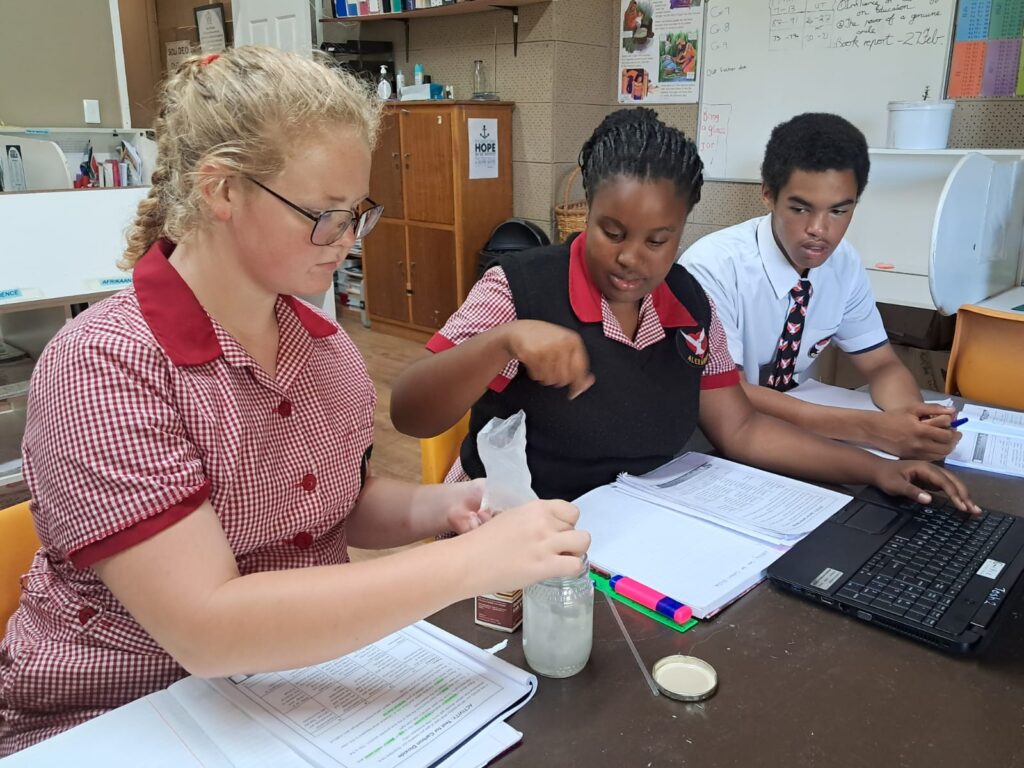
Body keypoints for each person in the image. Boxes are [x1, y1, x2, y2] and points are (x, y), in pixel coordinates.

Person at [0, 47, 588, 755]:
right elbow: (208, 628)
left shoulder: (325, 351)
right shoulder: (106, 366)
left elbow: (340, 504)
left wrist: (449, 506)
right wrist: (474, 565)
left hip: (285, 691)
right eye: (324, 215)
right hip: (117, 717)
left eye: (358, 214)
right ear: (222, 190)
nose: (346, 241)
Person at [390, 108, 977, 513]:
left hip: (631, 525)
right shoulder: (518, 288)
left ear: (681, 231)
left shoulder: (691, 305)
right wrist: (501, 342)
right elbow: (410, 413)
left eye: (657, 240)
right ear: (586, 210)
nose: (631, 259)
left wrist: (876, 469)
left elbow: (741, 428)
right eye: (611, 232)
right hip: (506, 527)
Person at [680, 113, 961, 461]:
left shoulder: (844, 264)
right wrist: (871, 428)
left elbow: (881, 365)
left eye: (839, 211)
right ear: (768, 194)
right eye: (800, 209)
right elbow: (728, 389)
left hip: (794, 434)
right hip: (711, 439)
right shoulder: (712, 267)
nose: (819, 229)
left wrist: (911, 418)